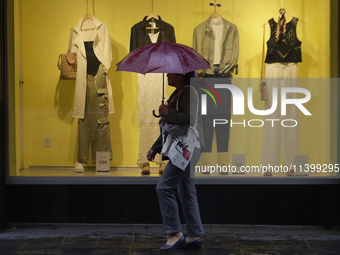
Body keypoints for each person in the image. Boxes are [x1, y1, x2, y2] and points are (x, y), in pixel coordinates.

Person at [147, 72, 205, 251]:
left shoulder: (189, 92)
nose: (167, 76)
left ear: (180, 74)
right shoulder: (180, 92)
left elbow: (189, 119)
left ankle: (175, 233)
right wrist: (155, 147)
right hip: (187, 148)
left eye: (170, 73)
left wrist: (167, 112)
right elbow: (170, 128)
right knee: (186, 188)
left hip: (187, 148)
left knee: (164, 187)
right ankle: (194, 234)